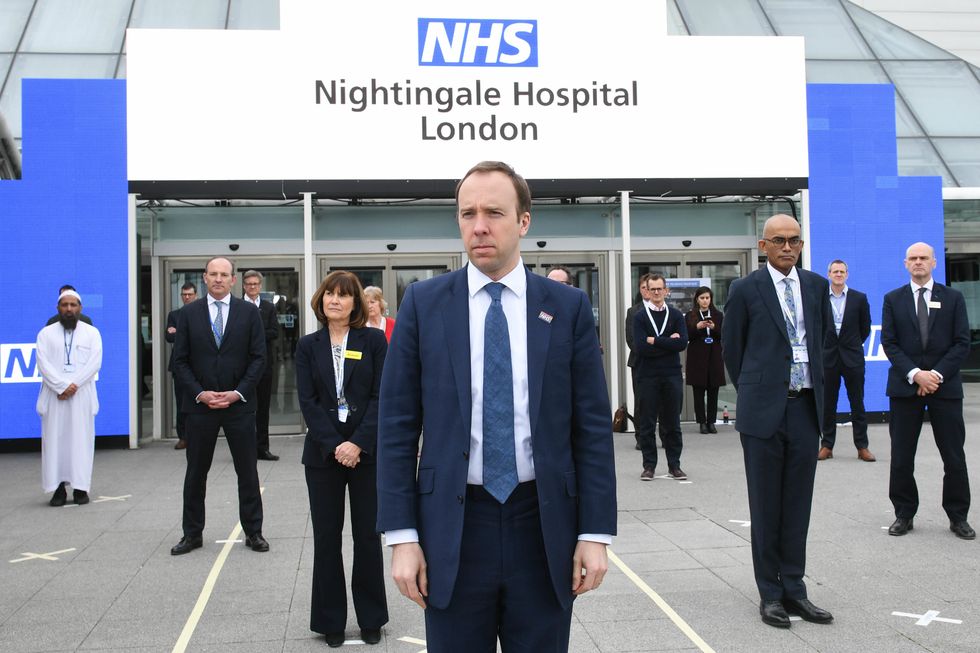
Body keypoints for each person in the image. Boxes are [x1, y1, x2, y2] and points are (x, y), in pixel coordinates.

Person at [376, 161, 616, 653]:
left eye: (493, 212)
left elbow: (590, 427)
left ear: (524, 221)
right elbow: (397, 426)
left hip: (544, 524)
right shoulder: (424, 303)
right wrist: (401, 535)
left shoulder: (566, 307)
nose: (478, 225)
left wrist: (595, 532)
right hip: (453, 528)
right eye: (467, 213)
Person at [722, 214, 834, 629]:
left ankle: (795, 588)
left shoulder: (816, 286)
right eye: (779, 241)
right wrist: (757, 390)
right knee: (766, 505)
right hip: (764, 410)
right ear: (763, 245)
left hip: (805, 407)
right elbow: (733, 351)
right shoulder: (745, 288)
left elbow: (820, 344)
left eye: (794, 240)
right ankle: (770, 593)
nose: (788, 247)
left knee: (797, 504)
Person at [296, 271, 389, 648]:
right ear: (321, 300)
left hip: (365, 454)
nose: (335, 300)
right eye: (329, 294)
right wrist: (336, 444)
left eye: (343, 295)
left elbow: (383, 395)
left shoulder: (374, 340)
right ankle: (330, 620)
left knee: (368, 537)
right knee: (326, 538)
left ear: (356, 304)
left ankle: (371, 618)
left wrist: (357, 444)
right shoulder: (307, 345)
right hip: (323, 453)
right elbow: (308, 402)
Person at [169, 256, 269, 555]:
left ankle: (254, 532)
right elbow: (180, 361)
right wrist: (201, 393)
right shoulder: (188, 314)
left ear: (233, 280)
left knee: (247, 472)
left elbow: (259, 358)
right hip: (200, 407)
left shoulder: (248, 314)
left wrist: (238, 392)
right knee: (196, 473)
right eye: (213, 274)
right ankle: (192, 533)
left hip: (238, 406)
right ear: (204, 277)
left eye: (224, 274)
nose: (218, 279)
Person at [881, 242, 974, 540]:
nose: (918, 262)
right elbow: (890, 343)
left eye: (923, 258)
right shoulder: (893, 300)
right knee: (901, 457)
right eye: (913, 258)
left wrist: (934, 375)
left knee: (954, 456)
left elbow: (962, 342)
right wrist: (915, 374)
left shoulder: (953, 298)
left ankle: (958, 516)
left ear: (934, 263)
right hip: (905, 388)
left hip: (944, 388)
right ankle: (904, 514)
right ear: (905, 264)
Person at [36, 290, 103, 507]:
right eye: (64, 305)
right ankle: (57, 489)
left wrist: (73, 385)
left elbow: (94, 362)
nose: (69, 309)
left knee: (81, 442)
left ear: (80, 308)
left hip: (81, 396)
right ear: (58, 308)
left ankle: (81, 488)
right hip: (55, 397)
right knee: (55, 442)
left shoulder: (92, 333)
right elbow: (43, 364)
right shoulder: (45, 334)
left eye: (73, 305)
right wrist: (61, 385)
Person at [632, 274, 688, 480]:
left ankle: (675, 465)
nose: (656, 292)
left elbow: (682, 343)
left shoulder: (675, 315)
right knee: (647, 422)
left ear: (666, 291)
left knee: (672, 422)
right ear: (647, 290)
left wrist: (654, 340)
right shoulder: (639, 316)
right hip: (647, 375)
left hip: (671, 374)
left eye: (659, 289)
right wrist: (667, 342)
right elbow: (640, 347)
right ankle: (649, 466)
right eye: (652, 289)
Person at [820, 260, 874, 462]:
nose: (839, 274)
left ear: (847, 275)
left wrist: (851, 344)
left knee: (857, 403)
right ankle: (827, 445)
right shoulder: (821, 298)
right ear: (829, 274)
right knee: (828, 404)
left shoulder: (859, 298)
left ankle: (862, 447)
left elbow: (865, 328)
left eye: (842, 271)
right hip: (828, 358)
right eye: (835, 271)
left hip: (853, 358)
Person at [242, 270, 280, 461]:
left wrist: (253, 335)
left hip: (264, 365)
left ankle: (262, 448)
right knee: (244, 410)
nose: (252, 287)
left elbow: (274, 332)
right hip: (242, 367)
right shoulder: (237, 306)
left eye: (255, 284)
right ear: (243, 286)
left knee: (263, 408)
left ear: (260, 285)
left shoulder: (268, 307)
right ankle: (245, 449)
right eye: (249, 284)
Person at [685, 286, 726, 434]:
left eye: (707, 298)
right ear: (697, 299)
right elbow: (687, 336)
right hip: (697, 356)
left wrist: (714, 327)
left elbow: (723, 335)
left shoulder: (717, 315)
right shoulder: (691, 315)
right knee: (698, 391)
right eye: (702, 298)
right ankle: (702, 422)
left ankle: (712, 422)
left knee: (713, 390)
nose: (705, 301)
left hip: (714, 356)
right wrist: (698, 326)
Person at [166, 282, 198, 450]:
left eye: (190, 294)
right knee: (181, 402)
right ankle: (183, 437)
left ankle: (198, 436)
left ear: (196, 295)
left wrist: (179, 332)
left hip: (199, 366)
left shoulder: (204, 313)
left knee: (199, 402)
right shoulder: (174, 315)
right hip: (180, 366)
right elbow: (169, 337)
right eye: (184, 295)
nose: (187, 297)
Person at [624, 274, 652, 449]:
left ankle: (665, 436)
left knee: (664, 402)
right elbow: (631, 339)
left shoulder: (667, 310)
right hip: (640, 362)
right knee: (641, 401)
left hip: (662, 362)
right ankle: (641, 437)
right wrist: (648, 352)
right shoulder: (633, 311)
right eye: (644, 288)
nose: (648, 291)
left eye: (650, 287)